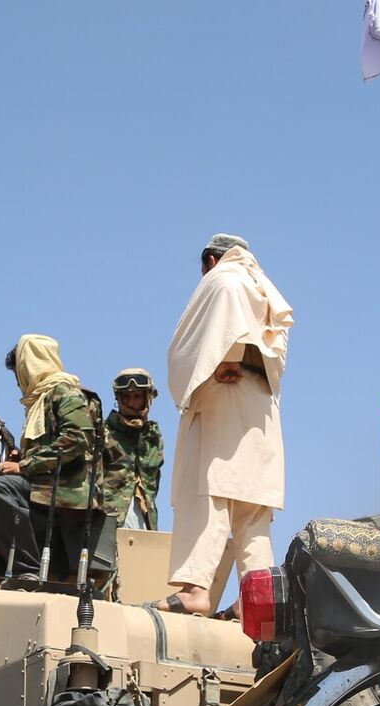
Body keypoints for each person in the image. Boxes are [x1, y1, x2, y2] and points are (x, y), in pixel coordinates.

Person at [158, 233, 293, 616]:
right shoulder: (263, 288)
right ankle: (257, 604)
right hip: (261, 409)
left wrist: (228, 357)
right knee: (252, 514)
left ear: (211, 261)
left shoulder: (224, 279)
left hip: (223, 399)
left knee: (209, 493)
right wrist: (244, 359)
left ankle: (195, 589)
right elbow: (275, 352)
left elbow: (219, 331)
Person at [0, 334, 101, 582]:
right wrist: (24, 456)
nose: (18, 382)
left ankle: (26, 571)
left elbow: (77, 438)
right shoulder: (39, 402)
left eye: (19, 373)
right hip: (41, 489)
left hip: (66, 494)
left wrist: (24, 465)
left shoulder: (65, 393)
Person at [101, 368, 165, 530]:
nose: (131, 403)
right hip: (108, 521)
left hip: (146, 521)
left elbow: (154, 483)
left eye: (137, 397)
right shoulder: (103, 433)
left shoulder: (153, 438)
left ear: (147, 399)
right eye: (127, 397)